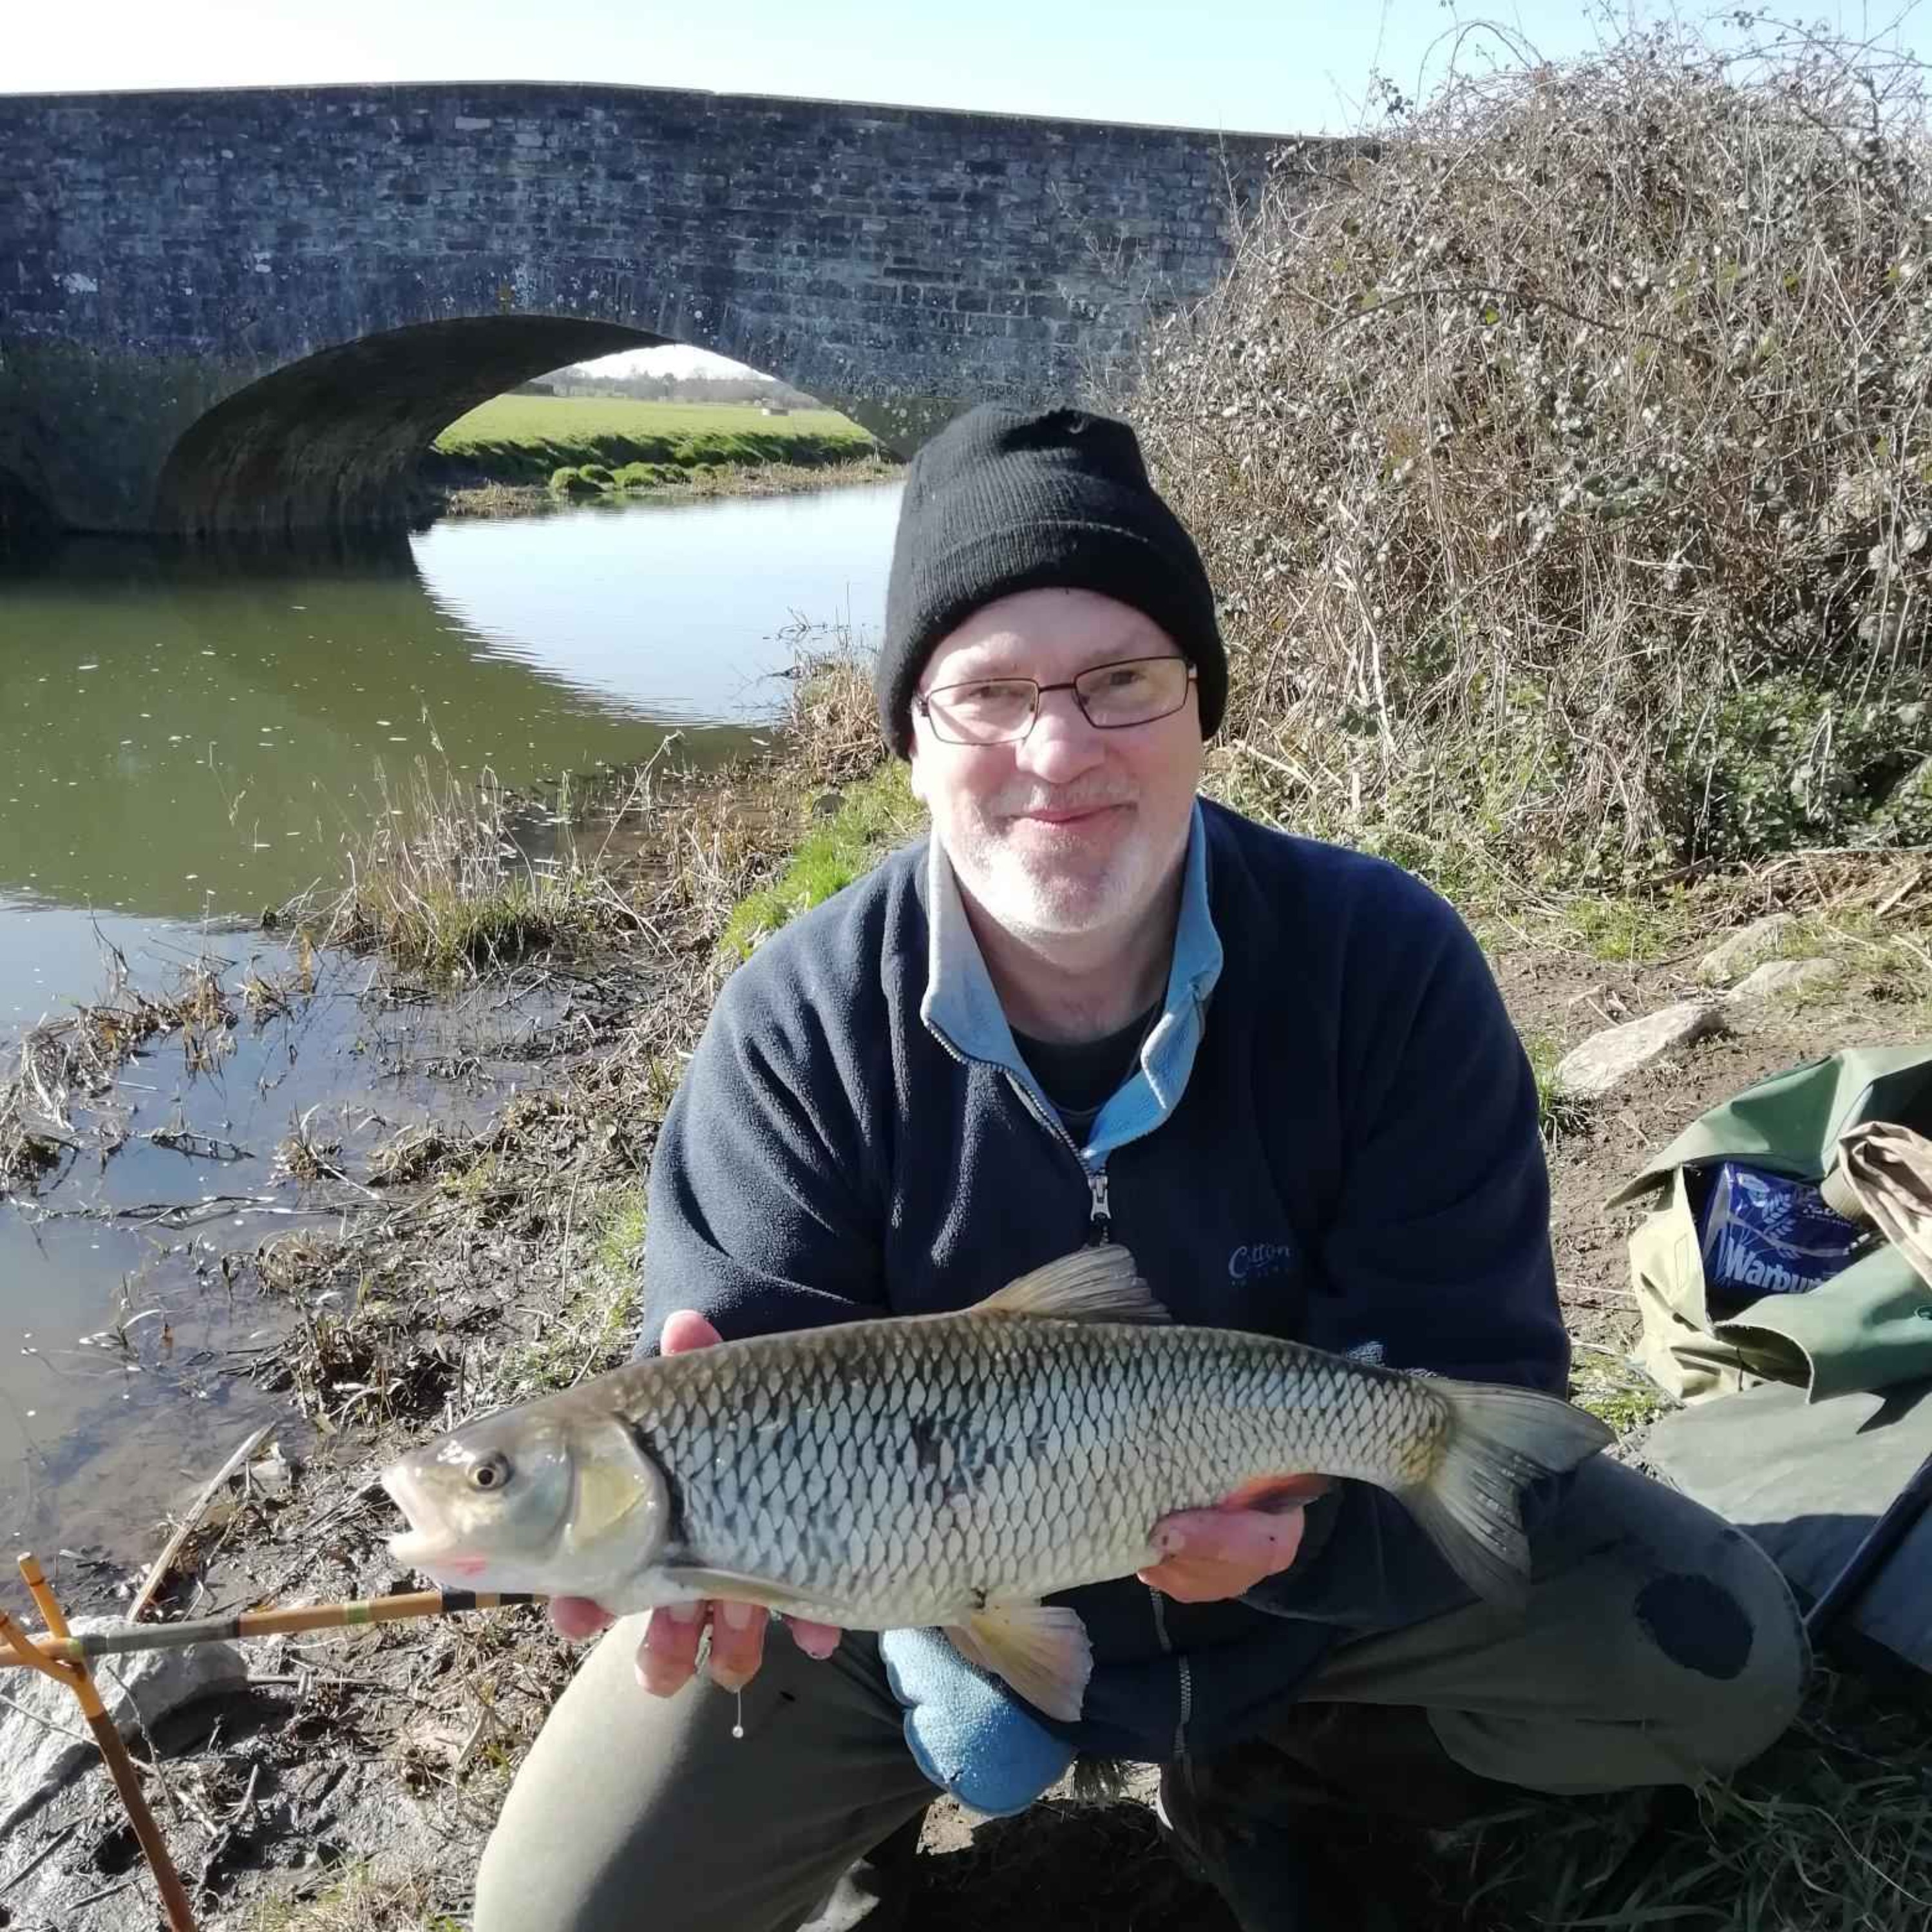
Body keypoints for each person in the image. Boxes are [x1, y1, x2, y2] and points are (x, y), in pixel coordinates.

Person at [473, 403, 1808, 1932]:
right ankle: (910, 1763)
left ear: (1201, 709)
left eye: (1122, 683)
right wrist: (786, 1587)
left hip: (1310, 1585)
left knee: (1726, 1666)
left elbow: (1470, 1358)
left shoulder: (1383, 963)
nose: (1059, 752)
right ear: (911, 740)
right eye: (987, 695)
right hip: (898, 1601)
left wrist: (1301, 1540)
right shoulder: (798, 1022)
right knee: (558, 1916)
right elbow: (743, 1380)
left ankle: (1279, 1757)